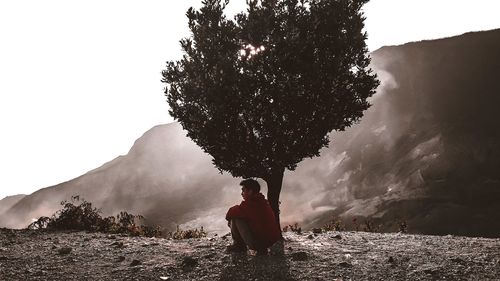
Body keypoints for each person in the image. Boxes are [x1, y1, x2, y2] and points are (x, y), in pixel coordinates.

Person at [225, 179, 281, 255]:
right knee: (237, 215)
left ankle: (239, 246)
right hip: (269, 241)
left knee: (236, 218)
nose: (242, 193)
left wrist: (229, 219)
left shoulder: (252, 204)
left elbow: (232, 211)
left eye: (243, 191)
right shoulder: (262, 201)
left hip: (261, 244)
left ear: (250, 191)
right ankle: (240, 246)